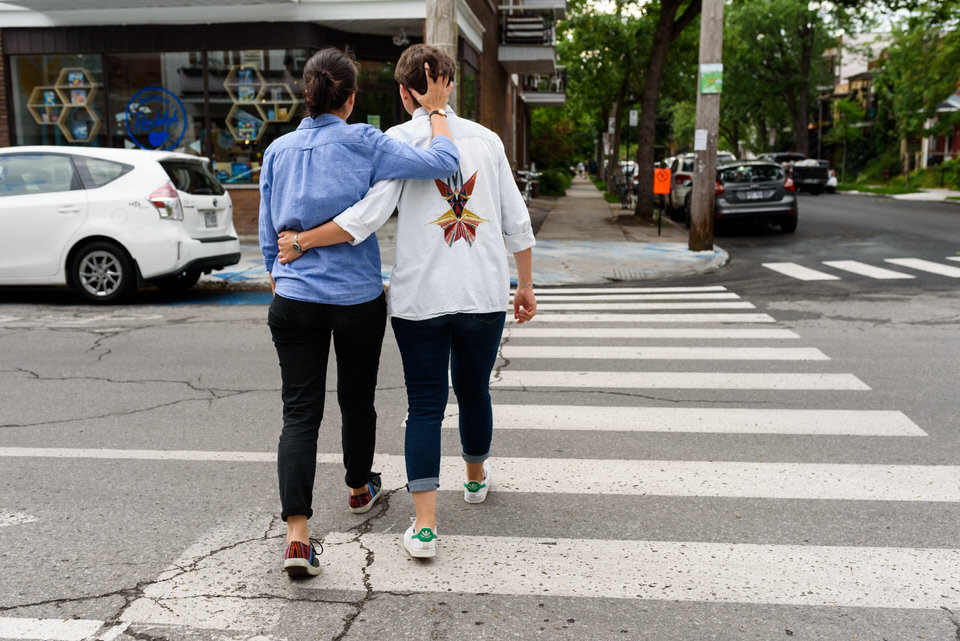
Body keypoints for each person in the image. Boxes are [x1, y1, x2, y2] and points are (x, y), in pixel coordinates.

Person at [275, 44, 537, 560]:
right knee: (474, 389)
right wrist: (524, 284)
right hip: (483, 293)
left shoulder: (395, 141)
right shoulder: (487, 140)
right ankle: (476, 475)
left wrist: (301, 241)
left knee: (424, 405)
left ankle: (424, 526)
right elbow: (516, 219)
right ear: (449, 84)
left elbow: (366, 217)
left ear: (401, 92)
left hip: (419, 299)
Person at [258, 47, 460, 578]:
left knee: (299, 413)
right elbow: (445, 163)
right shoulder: (367, 141)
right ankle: (357, 487)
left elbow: (266, 232)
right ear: (351, 98)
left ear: (308, 93)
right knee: (356, 400)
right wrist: (437, 109)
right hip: (355, 300)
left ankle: (298, 537)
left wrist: (280, 277)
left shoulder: (278, 150)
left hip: (295, 299)